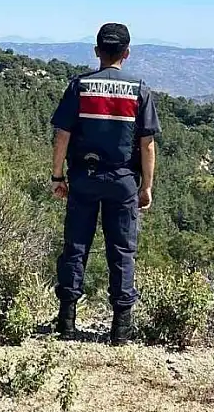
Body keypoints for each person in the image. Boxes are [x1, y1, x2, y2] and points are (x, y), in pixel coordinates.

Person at [49, 22, 160, 345]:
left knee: (75, 247)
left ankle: (66, 323)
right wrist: (146, 186)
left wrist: (58, 176)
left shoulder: (79, 87)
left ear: (97, 51)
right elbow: (147, 145)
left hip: (84, 178)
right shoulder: (139, 90)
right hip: (123, 181)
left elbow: (62, 136)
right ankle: (120, 331)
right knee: (122, 251)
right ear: (126, 53)